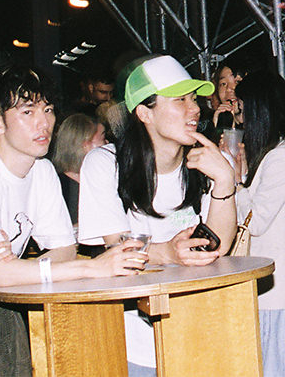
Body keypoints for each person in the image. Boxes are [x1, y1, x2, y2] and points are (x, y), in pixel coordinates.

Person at [0, 68, 141, 377]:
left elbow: (63, 250)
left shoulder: (41, 170)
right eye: (28, 111)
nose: (43, 122)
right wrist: (90, 268)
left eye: (48, 109)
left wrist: (18, 269)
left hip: (4, 310)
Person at [77, 54, 237, 376]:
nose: (194, 109)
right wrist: (167, 252)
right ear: (144, 113)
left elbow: (218, 247)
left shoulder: (210, 163)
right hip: (135, 341)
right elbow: (118, 250)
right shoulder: (105, 165)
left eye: (194, 99)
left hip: (204, 327)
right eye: (180, 100)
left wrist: (225, 180)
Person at [234, 72, 285, 376]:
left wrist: (234, 182)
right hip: (279, 288)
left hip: (281, 289)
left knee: (280, 368)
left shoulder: (283, 156)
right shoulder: (280, 152)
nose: (239, 118)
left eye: (242, 109)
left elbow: (255, 221)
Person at [51, 112, 105, 224]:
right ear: (85, 145)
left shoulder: (102, 180)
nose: (108, 144)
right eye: (104, 139)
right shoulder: (57, 188)